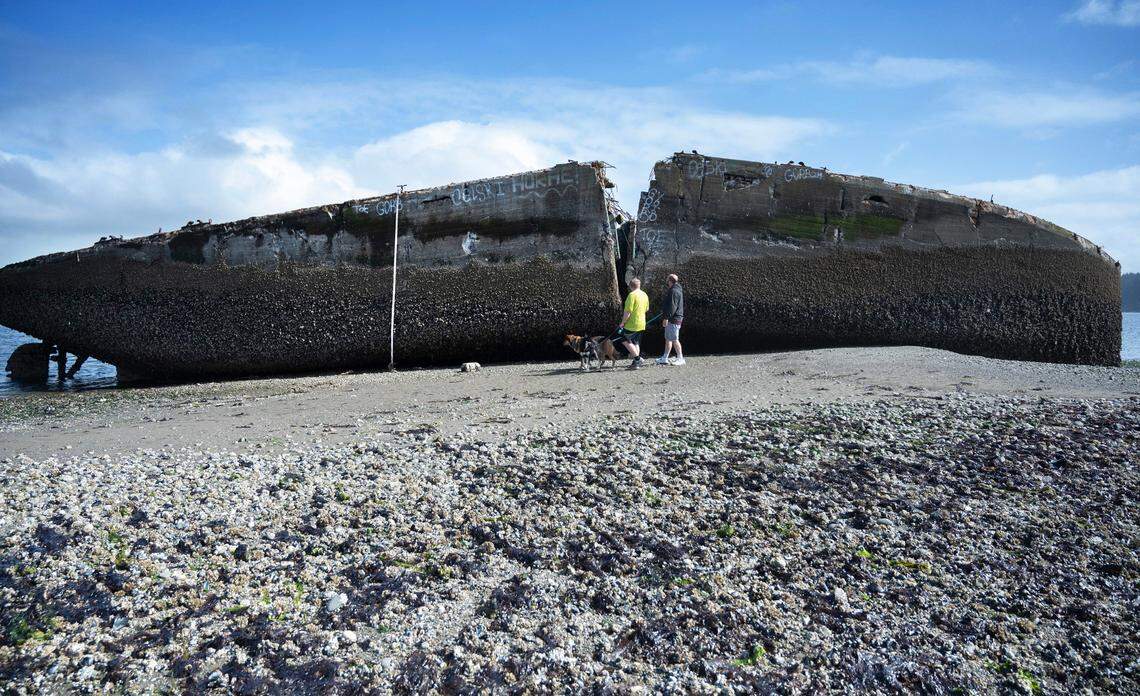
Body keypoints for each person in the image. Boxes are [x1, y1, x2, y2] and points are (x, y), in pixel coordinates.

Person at [617, 277, 649, 369]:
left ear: (630, 286)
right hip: (642, 323)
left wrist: (623, 323)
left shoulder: (631, 295)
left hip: (632, 324)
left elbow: (628, 311)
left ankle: (638, 359)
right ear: (639, 285)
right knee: (636, 342)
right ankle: (636, 362)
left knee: (624, 340)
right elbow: (647, 309)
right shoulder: (644, 294)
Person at [656, 274, 686, 366]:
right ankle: (665, 358)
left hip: (674, 319)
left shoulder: (674, 291)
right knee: (668, 338)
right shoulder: (676, 290)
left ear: (670, 281)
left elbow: (672, 307)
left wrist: (666, 318)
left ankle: (680, 358)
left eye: (667, 280)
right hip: (674, 318)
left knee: (674, 339)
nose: (666, 282)